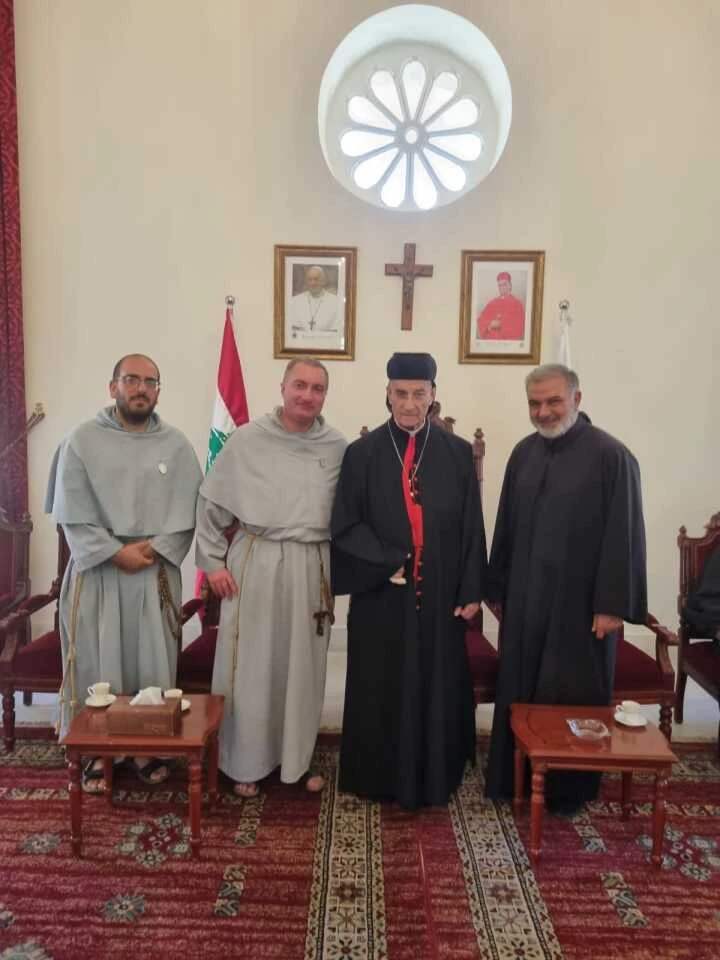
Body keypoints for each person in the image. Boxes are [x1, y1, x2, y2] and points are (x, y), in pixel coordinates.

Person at [484, 363, 647, 813]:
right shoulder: (524, 452)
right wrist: (495, 586)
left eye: (553, 401)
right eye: (535, 404)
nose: (544, 411)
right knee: (520, 690)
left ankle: (567, 793)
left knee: (570, 694)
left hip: (582, 610)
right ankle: (510, 778)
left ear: (577, 398)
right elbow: (507, 525)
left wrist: (612, 605)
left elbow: (625, 536)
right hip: (525, 600)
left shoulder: (612, 456)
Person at [331, 352, 487, 809]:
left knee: (436, 683)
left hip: (440, 594)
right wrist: (386, 561)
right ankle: (379, 777)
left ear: (434, 396)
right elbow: (345, 523)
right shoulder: (361, 454)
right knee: (381, 684)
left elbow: (472, 525)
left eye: (419, 394)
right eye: (401, 393)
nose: (410, 403)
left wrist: (472, 589)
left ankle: (434, 774)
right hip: (383, 593)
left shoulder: (457, 453)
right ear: (387, 393)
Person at [46, 354, 203, 792]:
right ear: (112, 386)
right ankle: (96, 750)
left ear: (158, 390)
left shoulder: (176, 445)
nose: (140, 388)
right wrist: (116, 553)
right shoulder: (81, 440)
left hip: (153, 571)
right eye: (131, 380)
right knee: (100, 659)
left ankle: (145, 748)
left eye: (150, 381)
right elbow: (71, 517)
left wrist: (150, 550)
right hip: (98, 573)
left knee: (152, 660)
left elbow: (190, 514)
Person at [195, 358, 346, 798]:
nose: (307, 395)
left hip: (312, 564)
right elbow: (210, 506)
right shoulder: (247, 441)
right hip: (256, 562)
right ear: (282, 387)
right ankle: (244, 762)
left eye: (317, 388)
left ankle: (295, 764)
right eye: (299, 385)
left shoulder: (336, 446)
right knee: (252, 668)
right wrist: (213, 562)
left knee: (303, 668)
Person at [286, 266, 340, 339]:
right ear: (306, 281)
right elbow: (292, 332)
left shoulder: (336, 302)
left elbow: (336, 333)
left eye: (316, 279)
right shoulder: (295, 301)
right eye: (310, 279)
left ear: (323, 281)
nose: (313, 283)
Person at [476, 271, 525, 340]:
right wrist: (490, 324)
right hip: (491, 343)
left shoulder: (517, 304)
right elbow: (481, 319)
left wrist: (501, 324)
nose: (502, 287)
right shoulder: (492, 303)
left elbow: (519, 327)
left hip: (508, 345)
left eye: (504, 284)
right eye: (500, 285)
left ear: (510, 285)